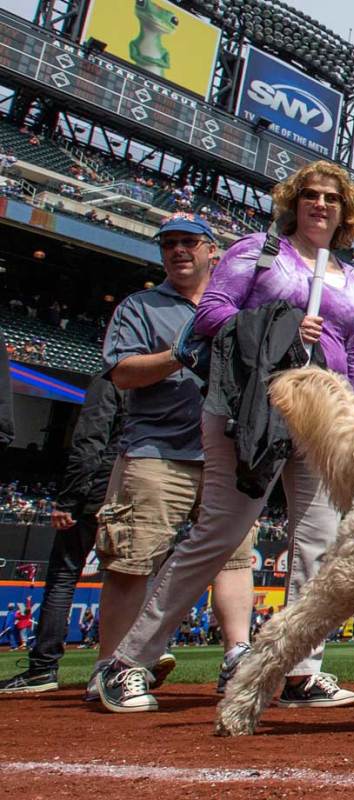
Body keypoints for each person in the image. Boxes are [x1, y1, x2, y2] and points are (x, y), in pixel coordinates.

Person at [97, 161, 354, 713]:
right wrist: (283, 323)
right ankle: (127, 661)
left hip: (325, 416)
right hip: (255, 406)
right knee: (221, 534)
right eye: (310, 196)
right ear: (294, 203)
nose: (320, 205)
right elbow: (211, 313)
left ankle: (301, 669)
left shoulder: (351, 278)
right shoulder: (259, 250)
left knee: (320, 545)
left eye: (331, 199)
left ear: (345, 213)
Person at [87, 214, 259, 704]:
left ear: (213, 252)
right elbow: (120, 373)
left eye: (189, 242)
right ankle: (111, 666)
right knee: (132, 560)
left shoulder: (237, 306)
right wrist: (177, 355)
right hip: (157, 449)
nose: (178, 251)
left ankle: (237, 655)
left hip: (227, 449)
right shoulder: (141, 306)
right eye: (169, 244)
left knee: (233, 558)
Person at [0, 375, 121, 694]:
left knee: (63, 577)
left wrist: (68, 498)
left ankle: (43, 668)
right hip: (127, 489)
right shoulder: (153, 384)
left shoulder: (111, 380)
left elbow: (90, 440)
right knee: (125, 580)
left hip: (92, 493)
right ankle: (120, 667)